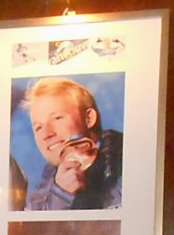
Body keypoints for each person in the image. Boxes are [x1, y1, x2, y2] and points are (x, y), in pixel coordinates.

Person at [22, 77, 123, 211]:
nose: (46, 134)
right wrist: (60, 195)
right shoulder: (46, 185)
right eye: (38, 127)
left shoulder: (126, 162)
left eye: (57, 118)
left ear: (89, 119)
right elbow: (34, 223)